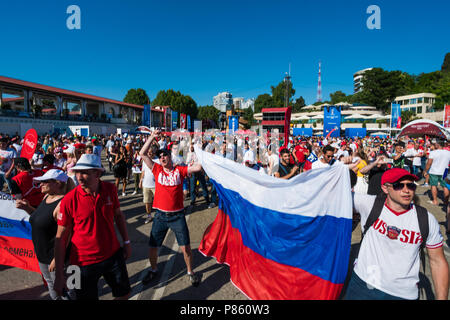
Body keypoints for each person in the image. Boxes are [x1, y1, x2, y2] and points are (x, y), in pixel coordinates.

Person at [346, 168, 449, 300]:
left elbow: (437, 262)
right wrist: (343, 169)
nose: (406, 190)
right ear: (385, 188)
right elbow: (333, 193)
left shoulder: (426, 219)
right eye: (399, 185)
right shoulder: (369, 204)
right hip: (363, 285)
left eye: (411, 185)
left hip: (402, 294)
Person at [54, 154, 132, 300]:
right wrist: (59, 274)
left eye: (84, 172)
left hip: (113, 255)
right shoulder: (68, 200)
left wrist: (126, 243)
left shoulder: (110, 189)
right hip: (79, 263)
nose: (79, 177)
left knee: (124, 294)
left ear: (97, 173)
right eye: (77, 172)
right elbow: (60, 238)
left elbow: (118, 216)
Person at [139, 130, 203, 287]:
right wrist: (153, 136)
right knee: (153, 246)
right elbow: (142, 153)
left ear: (170, 157)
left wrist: (197, 147)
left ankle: (190, 272)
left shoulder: (179, 171)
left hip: (177, 217)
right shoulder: (156, 169)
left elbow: (198, 167)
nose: (162, 158)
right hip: (160, 216)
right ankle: (154, 270)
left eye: (164, 155)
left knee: (186, 247)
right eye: (160, 156)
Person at [15, 169, 75, 300]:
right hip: (43, 256)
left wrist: (56, 260)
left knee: (68, 291)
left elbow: (69, 235)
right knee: (52, 288)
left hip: (58, 260)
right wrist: (27, 208)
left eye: (44, 182)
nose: (40, 184)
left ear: (58, 183)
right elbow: (42, 219)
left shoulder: (62, 204)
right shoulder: (47, 197)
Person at [424, 141, 450, 206]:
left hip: (434, 171)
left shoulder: (433, 152)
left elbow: (429, 163)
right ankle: (446, 202)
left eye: (436, 144)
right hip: (445, 171)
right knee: (445, 186)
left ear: (438, 145)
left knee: (433, 185)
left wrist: (425, 171)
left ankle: (435, 201)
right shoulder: (448, 153)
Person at [140, 145, 159, 224]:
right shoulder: (144, 160)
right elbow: (143, 171)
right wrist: (140, 181)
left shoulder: (158, 160)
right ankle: (149, 216)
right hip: (146, 185)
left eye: (151, 153)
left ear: (154, 153)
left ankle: (159, 217)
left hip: (156, 185)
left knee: (158, 202)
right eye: (148, 152)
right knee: (147, 202)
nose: (149, 154)